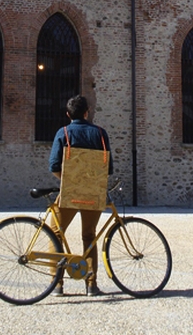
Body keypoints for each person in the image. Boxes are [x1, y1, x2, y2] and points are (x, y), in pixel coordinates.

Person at [48, 95, 113, 297]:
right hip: (93, 193)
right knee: (89, 236)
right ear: (87, 112)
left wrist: (67, 181)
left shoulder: (63, 132)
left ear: (68, 115)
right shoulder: (101, 134)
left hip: (70, 192)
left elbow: (54, 166)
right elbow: (108, 168)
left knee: (56, 233)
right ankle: (91, 284)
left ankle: (57, 283)